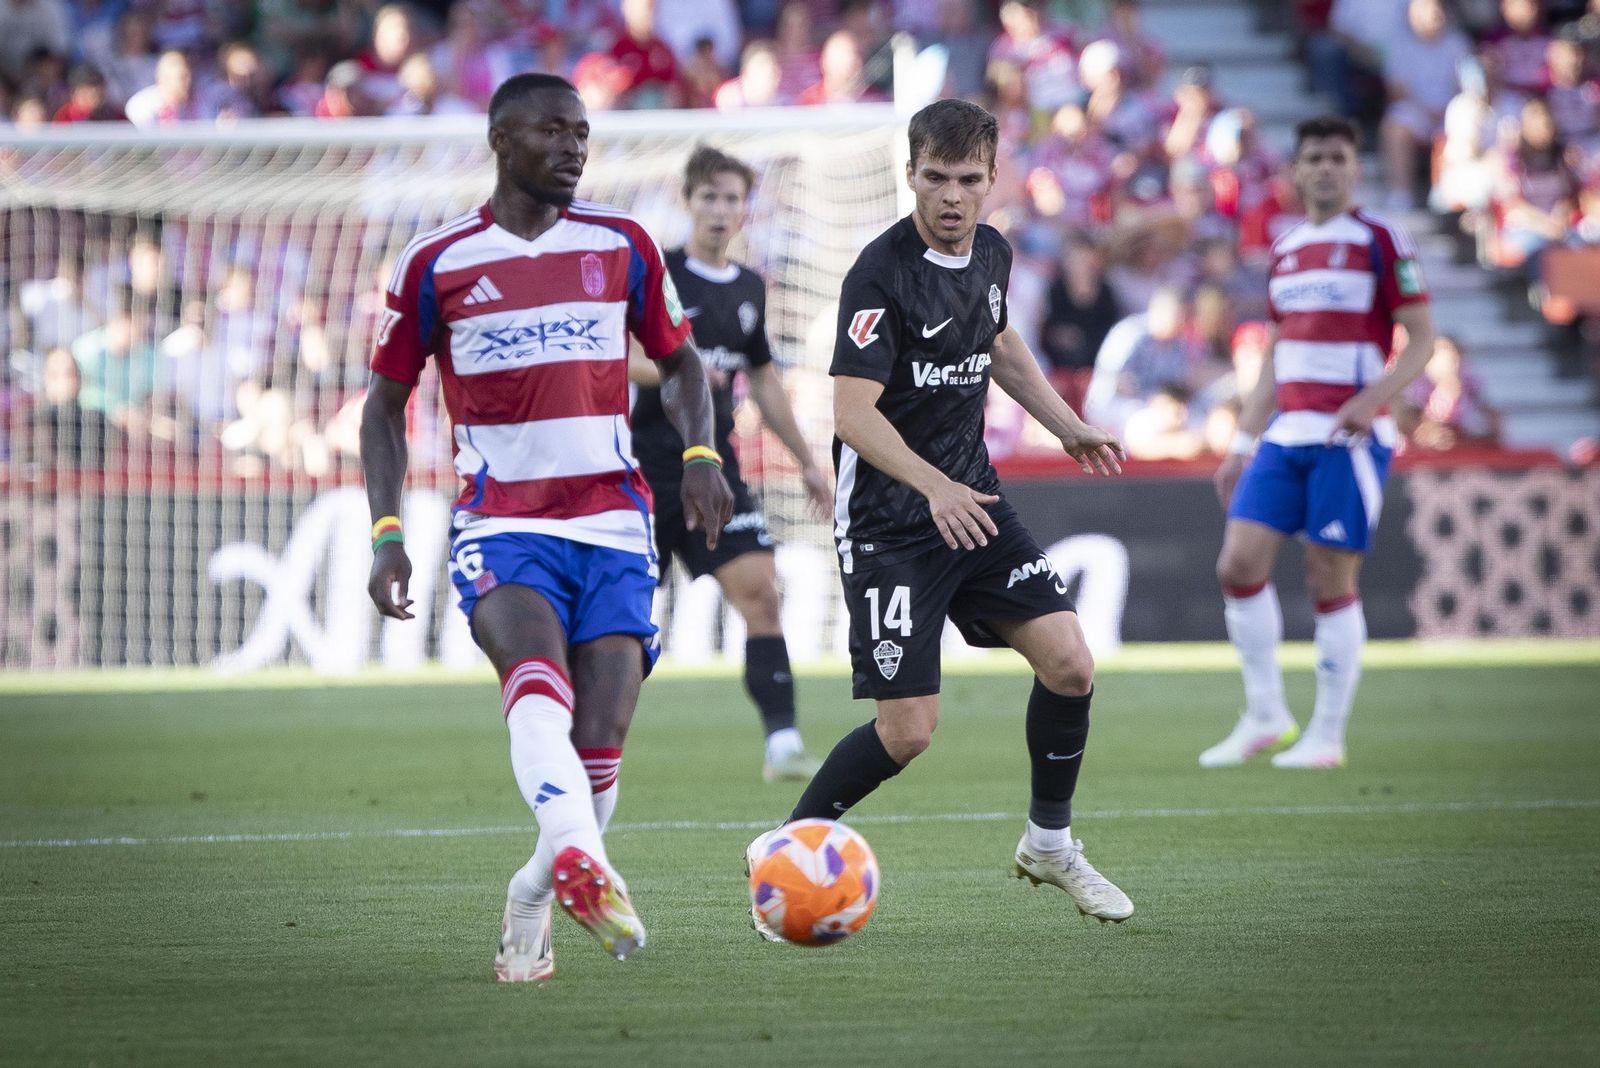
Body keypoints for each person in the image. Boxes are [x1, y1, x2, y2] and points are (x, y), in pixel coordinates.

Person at [360, 73, 733, 983]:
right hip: (503, 521)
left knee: (601, 740)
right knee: (536, 684)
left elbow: (683, 367)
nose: (574, 148)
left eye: (583, 133)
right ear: (501, 140)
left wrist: (702, 458)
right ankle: (583, 862)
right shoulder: (435, 263)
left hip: (612, 520)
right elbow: (384, 406)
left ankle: (540, 882)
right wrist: (386, 530)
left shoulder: (623, 244)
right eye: (554, 132)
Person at [746, 98, 1134, 930]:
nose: (952, 196)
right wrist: (934, 486)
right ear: (910, 175)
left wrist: (1066, 428)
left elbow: (998, 345)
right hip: (892, 526)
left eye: (968, 180)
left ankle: (1049, 844)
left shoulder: (991, 253)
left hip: (971, 504)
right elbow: (851, 413)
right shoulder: (878, 274)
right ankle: (787, 845)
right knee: (908, 732)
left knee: (1070, 662)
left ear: (994, 179)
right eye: (935, 179)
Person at [1205, 115, 1437, 770]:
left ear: (1355, 167)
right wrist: (1240, 443)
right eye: (1315, 158)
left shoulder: (1380, 239)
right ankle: (1265, 714)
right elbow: (1278, 355)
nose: (1327, 168)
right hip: (1286, 434)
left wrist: (1372, 399)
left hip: (1349, 438)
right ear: (1297, 171)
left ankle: (1327, 735)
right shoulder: (1286, 249)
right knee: (1238, 564)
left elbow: (1421, 337)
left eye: (1339, 156)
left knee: (1327, 575)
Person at [629, 145, 829, 783]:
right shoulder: (659, 272)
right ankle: (591, 747)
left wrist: (807, 461)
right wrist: (683, 367)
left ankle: (784, 743)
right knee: (626, 619)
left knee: (762, 597)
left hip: (717, 473)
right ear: (688, 201)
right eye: (708, 196)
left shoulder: (749, 288)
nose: (720, 210)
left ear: (746, 209)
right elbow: (613, 357)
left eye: (731, 198)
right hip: (644, 470)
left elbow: (764, 381)